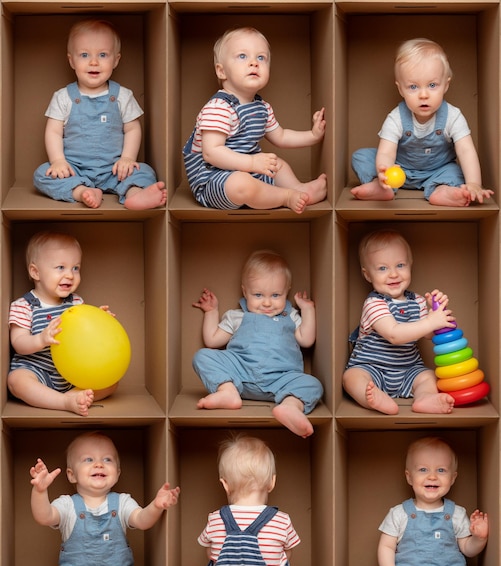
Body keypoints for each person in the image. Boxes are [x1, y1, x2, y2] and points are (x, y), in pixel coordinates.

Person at [28, 431, 180, 566]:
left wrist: (156, 506)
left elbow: (142, 520)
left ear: (117, 473)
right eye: (88, 459)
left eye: (107, 459)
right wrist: (40, 491)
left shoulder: (123, 502)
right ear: (71, 475)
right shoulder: (67, 505)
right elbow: (44, 517)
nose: (98, 464)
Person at [183, 26, 327, 213]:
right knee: (241, 183)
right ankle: (285, 196)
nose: (254, 63)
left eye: (261, 57)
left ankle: (299, 189)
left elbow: (281, 137)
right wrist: (251, 163)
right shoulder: (219, 107)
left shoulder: (262, 107)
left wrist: (313, 135)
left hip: (248, 172)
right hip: (213, 180)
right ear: (221, 71)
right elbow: (212, 153)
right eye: (242, 56)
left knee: (277, 164)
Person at [33, 19, 166, 211]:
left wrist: (127, 158)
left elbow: (133, 128)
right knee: (41, 174)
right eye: (84, 55)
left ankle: (134, 195)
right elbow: (53, 132)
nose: (93, 62)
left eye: (103, 55)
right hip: (74, 169)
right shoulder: (63, 97)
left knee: (145, 171)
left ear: (116, 60)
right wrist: (58, 161)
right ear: (71, 60)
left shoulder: (122, 95)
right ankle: (81, 192)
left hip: (114, 169)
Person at [192, 250, 323, 438]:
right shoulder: (237, 316)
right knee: (202, 355)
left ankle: (290, 407)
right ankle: (227, 392)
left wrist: (307, 309)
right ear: (245, 291)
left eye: (276, 295)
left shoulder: (291, 316)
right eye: (259, 295)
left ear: (287, 291)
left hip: (282, 379)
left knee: (313, 384)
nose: (267, 303)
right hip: (240, 374)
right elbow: (212, 340)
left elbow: (307, 340)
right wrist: (211, 312)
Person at [356, 436, 488, 566]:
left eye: (441, 470)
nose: (432, 476)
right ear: (409, 477)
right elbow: (386, 546)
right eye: (423, 470)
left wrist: (479, 538)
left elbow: (468, 548)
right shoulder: (399, 513)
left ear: (453, 477)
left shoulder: (457, 513)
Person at [351, 38, 494, 207]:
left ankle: (441, 191)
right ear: (401, 89)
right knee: (361, 157)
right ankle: (382, 187)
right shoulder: (396, 117)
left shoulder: (453, 117)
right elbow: (387, 152)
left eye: (432, 85)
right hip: (399, 169)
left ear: (445, 86)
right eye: (413, 87)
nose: (423, 95)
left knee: (458, 170)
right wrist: (385, 172)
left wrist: (474, 183)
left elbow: (466, 150)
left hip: (438, 171)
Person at [343, 229, 456, 415]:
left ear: (410, 266)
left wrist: (437, 315)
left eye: (400, 265)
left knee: (429, 376)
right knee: (351, 377)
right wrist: (430, 321)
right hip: (372, 368)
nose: (393, 274)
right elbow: (393, 334)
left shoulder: (418, 301)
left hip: (408, 369)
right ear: (367, 275)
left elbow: (427, 334)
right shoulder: (374, 304)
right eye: (382, 268)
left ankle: (424, 398)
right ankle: (374, 399)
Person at [8, 231, 117, 416]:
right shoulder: (24, 305)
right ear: (35, 272)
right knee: (16, 381)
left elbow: (86, 335)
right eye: (60, 267)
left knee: (111, 381)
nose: (70, 275)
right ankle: (64, 402)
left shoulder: (76, 303)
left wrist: (100, 320)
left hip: (71, 375)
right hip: (37, 370)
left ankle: (77, 396)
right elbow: (18, 343)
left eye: (76, 268)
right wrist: (41, 339)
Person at [194, 434, 305, 566]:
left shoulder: (215, 519)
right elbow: (287, 554)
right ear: (272, 482)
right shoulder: (282, 519)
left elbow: (210, 554)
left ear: (225, 485)